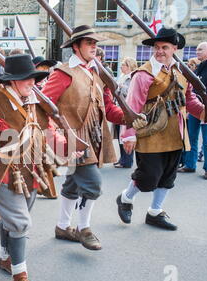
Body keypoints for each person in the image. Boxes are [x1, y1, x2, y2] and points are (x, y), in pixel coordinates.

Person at [0, 54, 75, 281]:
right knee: (20, 223)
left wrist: (68, 148)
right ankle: (20, 276)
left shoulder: (34, 103)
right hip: (3, 175)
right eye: (28, 79)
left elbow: (48, 132)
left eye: (34, 79)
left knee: (14, 221)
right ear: (13, 81)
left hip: (31, 173)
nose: (33, 83)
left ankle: (6, 257)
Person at [116, 28, 207, 231]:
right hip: (150, 133)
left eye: (165, 47)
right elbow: (133, 105)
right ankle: (125, 198)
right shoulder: (144, 74)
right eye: (157, 47)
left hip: (175, 132)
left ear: (175, 48)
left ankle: (155, 212)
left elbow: (189, 100)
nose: (160, 51)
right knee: (148, 178)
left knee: (168, 177)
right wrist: (128, 135)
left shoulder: (182, 72)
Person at [42, 25, 125, 250]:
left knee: (72, 185)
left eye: (95, 43)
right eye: (89, 42)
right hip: (72, 140)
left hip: (95, 137)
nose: (94, 46)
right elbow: (44, 108)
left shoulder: (98, 72)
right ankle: (83, 228)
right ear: (76, 47)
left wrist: (128, 118)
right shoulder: (62, 73)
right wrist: (58, 139)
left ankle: (62, 226)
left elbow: (108, 107)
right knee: (93, 186)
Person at [179, 42, 207, 179]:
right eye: (197, 49)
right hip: (194, 107)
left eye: (200, 49)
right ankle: (190, 164)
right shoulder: (198, 68)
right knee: (191, 137)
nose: (197, 52)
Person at [113, 57, 137, 169]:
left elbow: (132, 93)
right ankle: (122, 159)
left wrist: (121, 88)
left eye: (123, 64)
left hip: (127, 109)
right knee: (120, 135)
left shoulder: (132, 77)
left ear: (129, 66)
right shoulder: (122, 76)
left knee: (127, 135)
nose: (121, 66)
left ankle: (127, 161)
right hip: (119, 108)